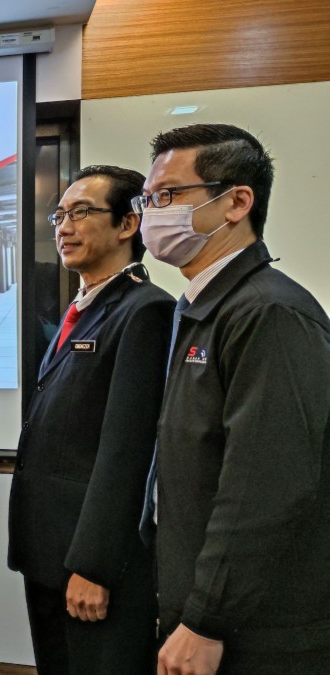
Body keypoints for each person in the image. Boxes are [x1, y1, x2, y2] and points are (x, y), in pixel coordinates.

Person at [137, 124, 330, 674]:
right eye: (147, 199)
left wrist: (206, 619)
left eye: (169, 195)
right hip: (205, 604)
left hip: (256, 628)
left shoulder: (268, 312)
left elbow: (265, 483)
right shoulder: (203, 306)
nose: (152, 214)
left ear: (237, 202)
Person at [7, 166, 172, 674]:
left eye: (81, 213)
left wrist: (95, 566)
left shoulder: (145, 310)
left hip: (93, 563)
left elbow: (128, 452)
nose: (64, 227)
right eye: (59, 215)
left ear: (127, 224)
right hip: (50, 551)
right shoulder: (82, 308)